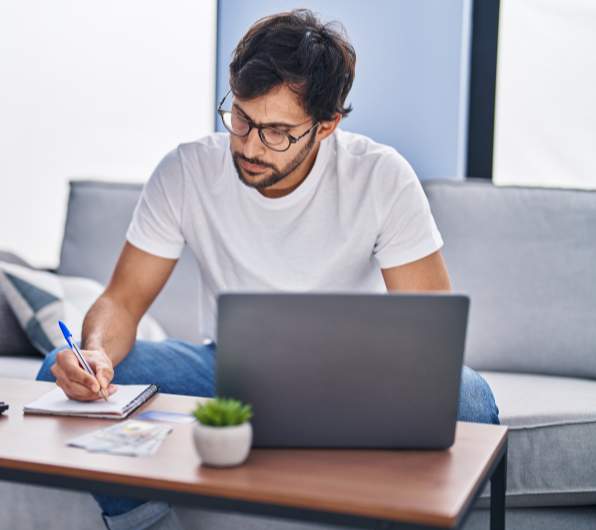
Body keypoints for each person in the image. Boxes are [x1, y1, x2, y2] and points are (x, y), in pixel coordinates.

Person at [37, 9, 499, 530]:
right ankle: (146, 524)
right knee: (58, 370)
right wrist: (94, 352)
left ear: (327, 126)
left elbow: (430, 337)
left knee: (468, 398)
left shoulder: (381, 177)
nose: (250, 146)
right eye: (240, 118)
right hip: (225, 372)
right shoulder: (186, 171)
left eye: (277, 131)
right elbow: (122, 300)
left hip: (354, 382)